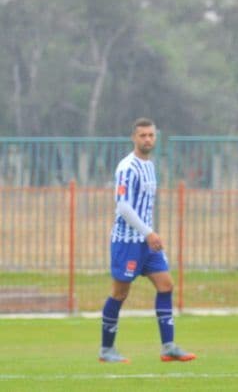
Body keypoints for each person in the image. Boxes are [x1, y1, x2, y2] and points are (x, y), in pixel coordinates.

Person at [99, 118, 196, 363]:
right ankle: (106, 350)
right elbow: (123, 206)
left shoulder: (150, 166)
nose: (147, 140)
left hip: (147, 242)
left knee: (166, 285)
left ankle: (168, 346)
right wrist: (148, 232)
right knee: (120, 293)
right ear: (134, 138)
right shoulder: (126, 167)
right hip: (127, 241)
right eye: (142, 135)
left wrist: (149, 235)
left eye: (151, 135)